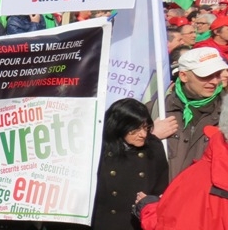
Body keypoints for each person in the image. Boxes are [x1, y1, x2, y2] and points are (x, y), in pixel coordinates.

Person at [134, 93, 228, 229]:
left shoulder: (200, 178)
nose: (214, 81)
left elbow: (172, 224)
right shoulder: (157, 107)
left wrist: (149, 208)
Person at [150, 47, 228, 181]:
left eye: (217, 74)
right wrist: (151, 138)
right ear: (184, 76)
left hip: (203, 200)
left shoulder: (225, 113)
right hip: (160, 199)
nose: (215, 81)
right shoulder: (156, 109)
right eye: (206, 75)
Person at [91, 98, 168, 230]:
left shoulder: (154, 147)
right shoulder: (97, 148)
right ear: (119, 126)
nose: (143, 134)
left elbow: (161, 189)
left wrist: (149, 201)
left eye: (146, 127)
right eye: (135, 129)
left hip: (135, 224)